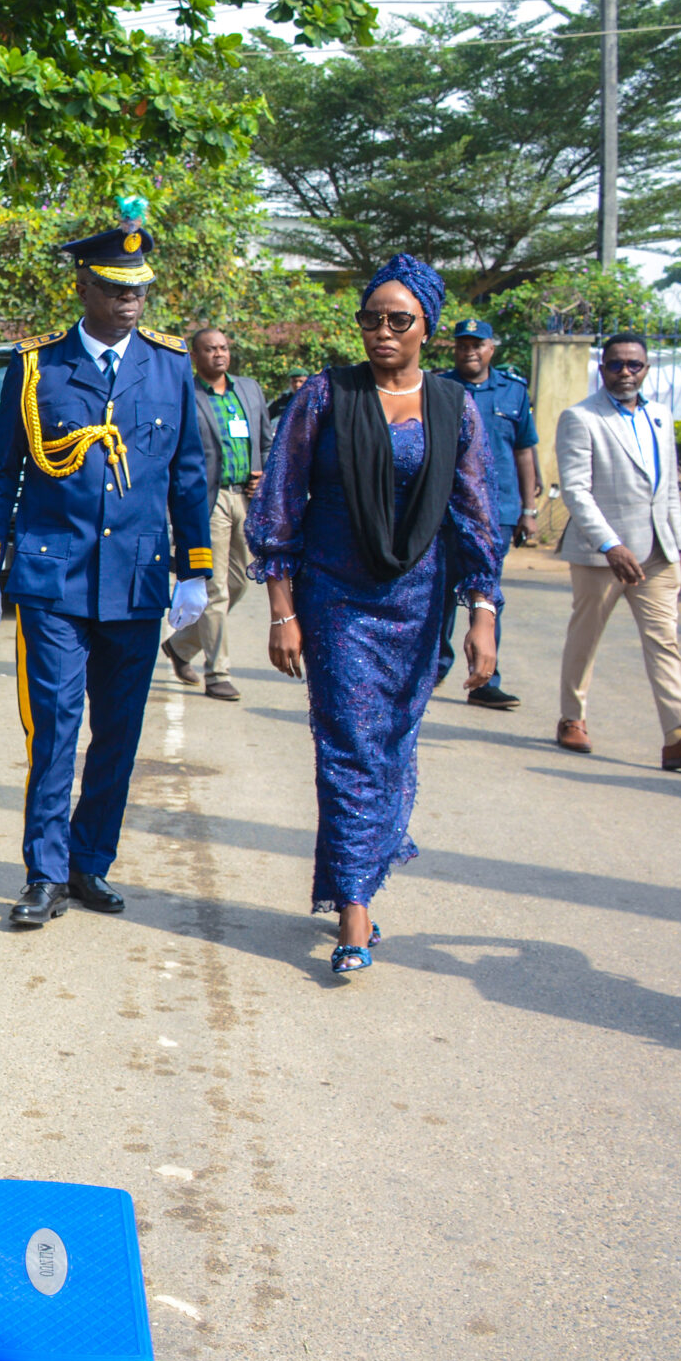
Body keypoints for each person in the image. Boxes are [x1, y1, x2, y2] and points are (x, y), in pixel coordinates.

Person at [247, 254, 505, 976]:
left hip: (418, 605)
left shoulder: (456, 405)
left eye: (398, 319)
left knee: (391, 745)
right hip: (335, 599)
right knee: (351, 746)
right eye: (371, 318)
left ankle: (366, 869)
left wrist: (483, 611)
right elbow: (280, 505)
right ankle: (354, 911)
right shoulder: (325, 397)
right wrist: (280, 609)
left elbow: (475, 515)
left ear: (427, 326)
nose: (382, 331)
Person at [0, 202, 212, 930]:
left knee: (120, 731)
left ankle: (87, 861)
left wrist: (195, 569)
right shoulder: (38, 364)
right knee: (56, 727)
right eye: (114, 286)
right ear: (83, 286)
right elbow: (2, 473)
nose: (130, 299)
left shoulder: (170, 367)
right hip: (53, 577)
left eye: (138, 287)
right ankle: (44, 872)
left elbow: (189, 475)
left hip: (136, 579)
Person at [551, 333, 681, 771]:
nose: (625, 373)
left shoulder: (660, 416)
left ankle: (678, 736)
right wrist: (610, 544)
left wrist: (678, 546)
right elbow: (576, 491)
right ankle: (571, 718)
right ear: (603, 369)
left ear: (646, 368)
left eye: (634, 365)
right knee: (586, 636)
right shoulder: (581, 417)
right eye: (616, 364)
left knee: (664, 640)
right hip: (603, 554)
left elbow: (668, 487)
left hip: (657, 551)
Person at [160, 326, 270, 701]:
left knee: (239, 581)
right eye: (210, 349)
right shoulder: (185, 393)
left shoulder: (250, 390)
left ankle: (181, 646)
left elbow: (267, 443)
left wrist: (266, 475)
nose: (218, 354)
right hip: (209, 501)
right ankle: (218, 672)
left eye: (223, 347)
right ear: (196, 355)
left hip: (247, 498)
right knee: (215, 588)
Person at [438, 319, 543, 711]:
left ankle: (484, 680)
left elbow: (524, 451)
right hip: (445, 508)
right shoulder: (440, 388)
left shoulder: (514, 393)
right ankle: (435, 665)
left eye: (477, 345)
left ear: (491, 349)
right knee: (441, 590)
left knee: (486, 594)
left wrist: (528, 510)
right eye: (463, 345)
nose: (470, 352)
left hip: (496, 512)